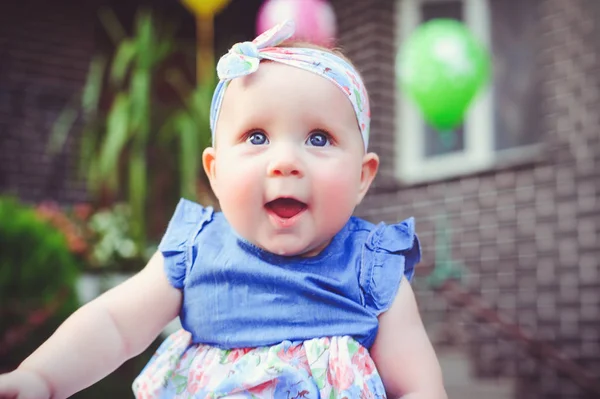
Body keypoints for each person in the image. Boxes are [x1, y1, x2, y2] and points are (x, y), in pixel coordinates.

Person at [0, 20, 446, 399]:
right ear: (214, 171)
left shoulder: (371, 268)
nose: (285, 161)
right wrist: (43, 377)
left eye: (318, 138)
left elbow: (419, 386)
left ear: (362, 177)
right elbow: (114, 325)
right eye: (256, 137)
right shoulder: (196, 250)